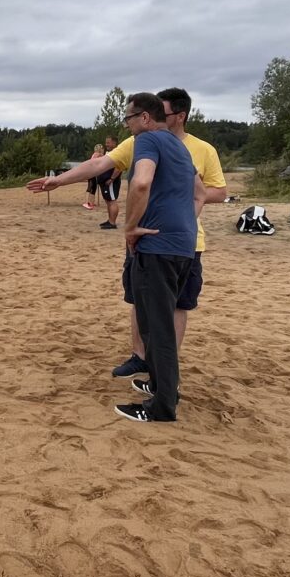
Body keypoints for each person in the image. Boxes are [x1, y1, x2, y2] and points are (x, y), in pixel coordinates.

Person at [27, 93, 202, 423]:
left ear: (145, 119)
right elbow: (200, 193)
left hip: (157, 247)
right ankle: (161, 386)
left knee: (157, 327)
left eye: (129, 119)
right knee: (154, 322)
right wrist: (57, 181)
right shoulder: (180, 146)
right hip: (182, 246)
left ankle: (164, 406)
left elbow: (141, 182)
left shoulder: (147, 141)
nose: (127, 125)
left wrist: (131, 227)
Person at [109, 88, 228, 386]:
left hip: (173, 242)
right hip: (156, 241)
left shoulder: (195, 148)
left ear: (180, 116)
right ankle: (144, 360)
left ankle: (163, 379)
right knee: (140, 300)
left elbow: (215, 192)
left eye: (165, 114)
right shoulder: (146, 142)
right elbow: (102, 164)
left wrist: (131, 227)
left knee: (175, 308)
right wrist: (58, 180)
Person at [99, 135, 124, 229]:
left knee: (112, 201)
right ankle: (109, 220)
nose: (106, 144)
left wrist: (112, 179)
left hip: (111, 182)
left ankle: (112, 222)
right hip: (105, 181)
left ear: (114, 143)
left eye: (108, 142)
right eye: (106, 142)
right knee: (108, 201)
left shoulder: (118, 153)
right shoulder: (109, 152)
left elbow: (119, 167)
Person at [83, 143, 104, 210]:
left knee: (92, 187)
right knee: (92, 187)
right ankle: (88, 202)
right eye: (102, 148)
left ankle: (90, 201)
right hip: (92, 173)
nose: (103, 150)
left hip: (92, 173)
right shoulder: (98, 155)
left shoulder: (95, 154)